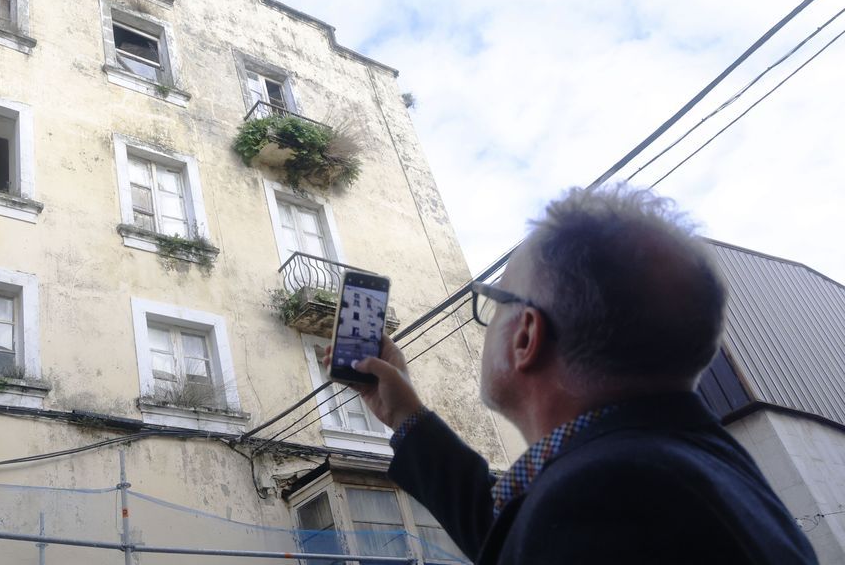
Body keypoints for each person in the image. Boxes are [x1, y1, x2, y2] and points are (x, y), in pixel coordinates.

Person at [344, 186, 817, 564]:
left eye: (496, 301)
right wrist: (406, 416)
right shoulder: (707, 475)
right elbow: (511, 533)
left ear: (526, 335)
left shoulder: (599, 499)